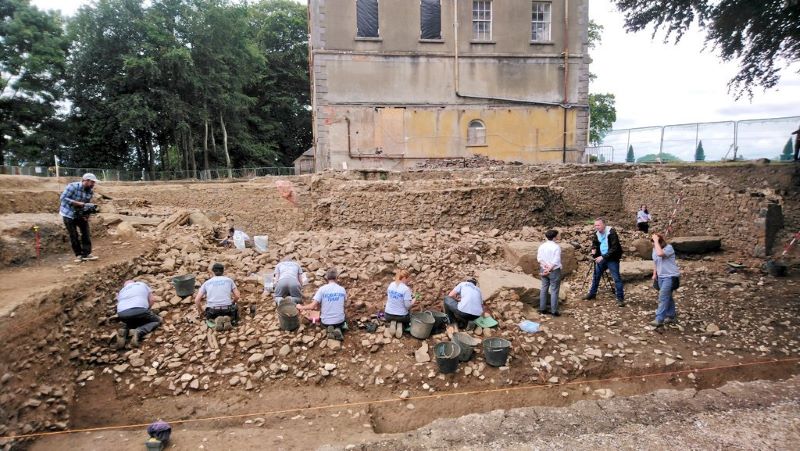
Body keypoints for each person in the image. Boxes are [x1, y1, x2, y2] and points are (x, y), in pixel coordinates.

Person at [584, 218, 626, 307]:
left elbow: (614, 248)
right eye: (595, 225)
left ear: (604, 225)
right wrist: (593, 249)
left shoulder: (611, 233)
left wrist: (603, 256)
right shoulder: (597, 234)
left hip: (612, 258)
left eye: (598, 225)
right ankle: (592, 293)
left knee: (616, 278)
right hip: (601, 258)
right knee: (596, 275)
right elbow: (595, 243)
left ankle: (620, 299)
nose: (596, 227)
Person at [59, 173, 99, 262]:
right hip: (68, 214)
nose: (93, 184)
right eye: (92, 182)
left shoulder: (90, 191)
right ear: (86, 180)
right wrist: (77, 203)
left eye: (94, 182)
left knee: (86, 233)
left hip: (80, 214)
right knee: (74, 235)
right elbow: (63, 198)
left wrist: (86, 215)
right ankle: (78, 255)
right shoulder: (72, 187)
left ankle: (86, 254)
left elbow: (86, 205)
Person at [299, 268, 347, 340]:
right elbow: (345, 304)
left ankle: (329, 329)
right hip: (340, 321)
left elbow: (312, 306)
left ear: (327, 278)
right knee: (344, 321)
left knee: (323, 321)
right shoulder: (342, 289)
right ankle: (338, 328)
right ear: (337, 277)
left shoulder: (322, 289)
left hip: (325, 322)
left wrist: (301, 307)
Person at [114, 280, 162, 348]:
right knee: (157, 320)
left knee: (133, 321)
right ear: (134, 282)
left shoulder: (121, 291)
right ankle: (139, 331)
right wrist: (147, 309)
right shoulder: (141, 284)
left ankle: (125, 331)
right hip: (139, 310)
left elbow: (119, 304)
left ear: (125, 286)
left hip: (122, 314)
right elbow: (152, 300)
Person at [194, 262, 240, 330]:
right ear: (223, 271)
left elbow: (197, 300)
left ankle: (215, 320)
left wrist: (202, 312)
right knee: (235, 308)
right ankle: (229, 319)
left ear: (213, 272)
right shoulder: (229, 280)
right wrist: (233, 302)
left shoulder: (206, 283)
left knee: (209, 316)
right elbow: (237, 296)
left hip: (213, 310)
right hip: (227, 309)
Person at [651, 233, 680, 328]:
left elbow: (660, 254)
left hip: (670, 276)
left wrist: (656, 240)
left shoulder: (669, 248)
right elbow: (655, 261)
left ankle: (659, 319)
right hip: (661, 277)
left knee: (663, 297)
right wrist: (655, 274)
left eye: (654, 242)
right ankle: (671, 316)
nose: (653, 244)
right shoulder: (655, 248)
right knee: (668, 296)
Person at [537, 229, 562, 316]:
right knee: (554, 290)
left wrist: (546, 267)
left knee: (544, 288)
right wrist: (550, 268)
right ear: (555, 237)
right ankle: (554, 311)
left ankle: (542, 308)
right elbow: (556, 260)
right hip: (554, 270)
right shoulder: (556, 247)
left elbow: (539, 258)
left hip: (543, 269)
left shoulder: (542, 246)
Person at [384, 269, 415, 338]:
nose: (409, 280)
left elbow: (391, 299)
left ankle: (392, 323)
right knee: (409, 313)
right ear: (404, 278)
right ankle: (401, 325)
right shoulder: (406, 289)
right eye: (408, 278)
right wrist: (414, 300)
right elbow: (408, 306)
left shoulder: (391, 285)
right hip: (402, 317)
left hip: (388, 315)